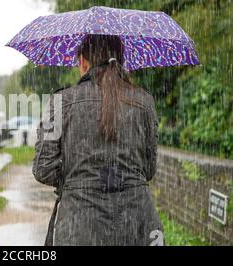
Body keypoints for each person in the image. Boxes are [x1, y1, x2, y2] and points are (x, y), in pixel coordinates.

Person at [33, 34, 164, 246]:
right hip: (138, 225)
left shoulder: (60, 102)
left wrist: (78, 181)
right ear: (121, 60)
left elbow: (43, 169)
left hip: (78, 228)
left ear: (83, 62)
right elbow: (148, 170)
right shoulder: (144, 102)